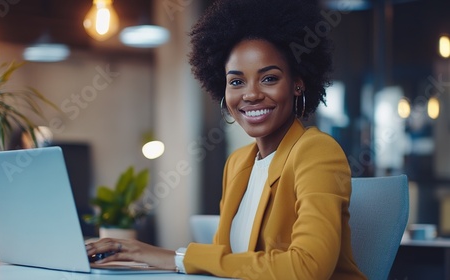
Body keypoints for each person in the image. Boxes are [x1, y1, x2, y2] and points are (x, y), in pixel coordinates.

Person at [86, 0, 367, 279]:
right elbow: (225, 263)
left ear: (297, 84)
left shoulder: (316, 151)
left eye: (269, 78)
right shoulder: (237, 163)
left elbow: (307, 268)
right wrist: (141, 258)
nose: (251, 94)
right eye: (236, 82)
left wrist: (175, 258)